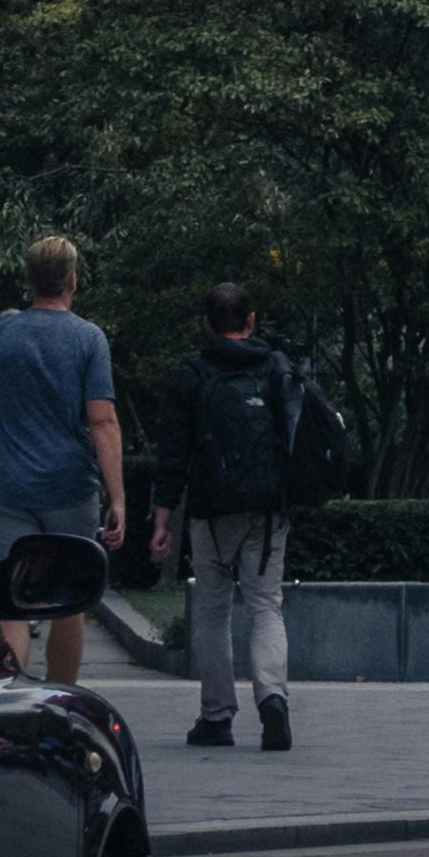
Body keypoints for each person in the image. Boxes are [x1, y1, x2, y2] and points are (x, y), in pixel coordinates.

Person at [147, 283, 306, 755]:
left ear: (207, 325)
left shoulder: (192, 375)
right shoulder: (276, 367)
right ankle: (273, 697)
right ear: (251, 320)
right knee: (265, 606)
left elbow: (172, 454)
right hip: (267, 507)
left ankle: (217, 717)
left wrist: (161, 519)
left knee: (213, 613)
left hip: (211, 511)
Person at [0, 235, 124, 689]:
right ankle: (61, 696)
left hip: (10, 488)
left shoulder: (0, 336)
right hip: (69, 488)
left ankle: (11, 690)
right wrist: (119, 496)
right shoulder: (88, 339)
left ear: (30, 279)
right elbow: (103, 421)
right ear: (72, 279)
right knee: (70, 602)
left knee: (13, 599)